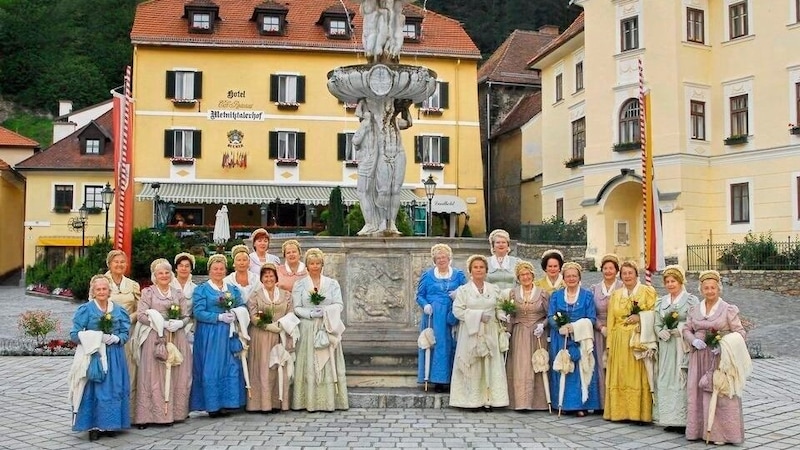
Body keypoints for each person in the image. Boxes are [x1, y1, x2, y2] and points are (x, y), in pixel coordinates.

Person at [684, 270, 749, 445]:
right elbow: (686, 329)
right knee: (696, 393)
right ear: (701, 290)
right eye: (706, 288)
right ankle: (698, 431)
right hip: (698, 358)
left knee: (721, 396)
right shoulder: (695, 309)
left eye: (713, 288)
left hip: (719, 360)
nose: (710, 291)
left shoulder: (727, 309)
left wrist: (724, 344)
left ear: (718, 289)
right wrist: (693, 340)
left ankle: (722, 434)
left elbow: (740, 332)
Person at [68, 275, 131, 441]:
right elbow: (74, 334)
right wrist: (96, 337)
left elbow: (125, 333)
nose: (102, 292)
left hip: (115, 357)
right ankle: (93, 426)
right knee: (95, 390)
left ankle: (112, 424)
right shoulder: (86, 310)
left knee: (115, 388)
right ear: (93, 292)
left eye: (104, 289)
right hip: (95, 356)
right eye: (98, 289)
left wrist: (116, 339)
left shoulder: (118, 310)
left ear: (109, 291)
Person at [133, 259, 192, 428]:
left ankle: (174, 413)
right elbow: (141, 315)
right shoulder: (148, 293)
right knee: (152, 374)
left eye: (167, 272)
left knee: (178, 373)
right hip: (155, 338)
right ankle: (148, 415)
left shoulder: (177, 293)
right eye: (160, 273)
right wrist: (159, 323)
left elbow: (186, 314)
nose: (164, 275)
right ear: (155, 276)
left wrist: (180, 323)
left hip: (177, 336)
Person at [291, 248, 349, 411]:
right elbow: (296, 307)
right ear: (307, 266)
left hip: (327, 325)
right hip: (308, 327)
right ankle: (306, 400)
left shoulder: (332, 283)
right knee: (309, 361)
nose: (315, 266)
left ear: (322, 265)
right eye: (311, 263)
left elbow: (339, 304)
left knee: (327, 362)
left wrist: (326, 311)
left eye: (318, 263)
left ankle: (329, 400)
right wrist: (310, 313)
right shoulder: (300, 284)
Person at [189, 254, 247, 417]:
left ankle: (228, 402)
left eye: (221, 269)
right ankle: (212, 405)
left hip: (228, 333)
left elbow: (242, 304)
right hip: (210, 334)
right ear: (209, 270)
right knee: (211, 368)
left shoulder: (232, 289)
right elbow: (198, 312)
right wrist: (218, 317)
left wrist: (236, 313)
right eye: (215, 268)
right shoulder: (202, 289)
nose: (219, 271)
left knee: (231, 366)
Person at [450, 255, 509, 409]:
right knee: (473, 364)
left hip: (490, 330)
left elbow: (498, 307)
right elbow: (457, 311)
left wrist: (501, 314)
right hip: (471, 332)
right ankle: (471, 400)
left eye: (481, 267)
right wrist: (477, 316)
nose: (478, 270)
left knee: (490, 363)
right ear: (470, 270)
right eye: (475, 267)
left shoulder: (493, 289)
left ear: (486, 270)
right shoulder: (463, 290)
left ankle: (490, 399)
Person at [604, 260, 657, 423]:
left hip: (637, 339)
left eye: (630, 273)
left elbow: (655, 313)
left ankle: (639, 413)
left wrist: (640, 317)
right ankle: (620, 412)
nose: (627, 276)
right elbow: (611, 320)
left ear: (636, 274)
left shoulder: (646, 292)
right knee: (620, 374)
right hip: (619, 338)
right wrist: (609, 344)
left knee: (637, 375)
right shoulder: (616, 294)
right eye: (624, 273)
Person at [547, 262, 600, 416]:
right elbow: (550, 315)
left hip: (580, 339)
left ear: (579, 277)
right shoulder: (556, 296)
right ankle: (562, 404)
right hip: (561, 338)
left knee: (580, 371)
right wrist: (559, 327)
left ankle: (580, 405)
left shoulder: (587, 296)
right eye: (568, 276)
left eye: (574, 276)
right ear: (563, 278)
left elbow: (592, 318)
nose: (571, 279)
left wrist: (575, 327)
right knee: (563, 367)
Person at [415, 243, 467, 392]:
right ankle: (437, 380)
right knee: (436, 344)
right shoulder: (428, 275)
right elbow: (420, 295)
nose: (441, 260)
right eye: (438, 258)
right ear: (434, 260)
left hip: (452, 313)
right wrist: (425, 305)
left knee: (453, 344)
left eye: (444, 257)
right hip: (433, 315)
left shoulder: (458, 275)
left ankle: (452, 378)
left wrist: (458, 295)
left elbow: (466, 291)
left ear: (449, 258)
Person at [247, 263, 296, 412]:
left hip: (280, 335)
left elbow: (291, 312)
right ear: (261, 278)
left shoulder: (286, 295)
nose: (269, 278)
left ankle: (278, 402)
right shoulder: (255, 295)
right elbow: (253, 314)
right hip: (261, 337)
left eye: (271, 275)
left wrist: (283, 324)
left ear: (276, 278)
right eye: (265, 276)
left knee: (278, 367)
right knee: (263, 368)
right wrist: (266, 325)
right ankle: (262, 404)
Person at [654, 264, 698, 430]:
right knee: (666, 378)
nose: (670, 284)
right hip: (667, 346)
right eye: (668, 281)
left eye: (674, 281)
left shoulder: (691, 300)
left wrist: (682, 329)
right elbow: (657, 323)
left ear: (680, 282)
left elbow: (695, 321)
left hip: (682, 345)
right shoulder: (661, 302)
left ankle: (683, 419)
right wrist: (660, 332)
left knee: (681, 378)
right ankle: (668, 418)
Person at [506, 261, 551, 411]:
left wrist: (542, 325)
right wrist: (507, 330)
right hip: (519, 332)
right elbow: (511, 315)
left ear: (532, 275)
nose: (525, 277)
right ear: (518, 278)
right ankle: (520, 402)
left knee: (536, 364)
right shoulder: (513, 293)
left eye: (527, 274)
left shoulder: (542, 293)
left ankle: (537, 402)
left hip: (537, 334)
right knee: (520, 366)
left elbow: (549, 314)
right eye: (522, 275)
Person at [104, 250, 141, 420]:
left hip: (129, 333)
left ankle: (129, 413)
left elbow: (140, 309)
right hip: (108, 333)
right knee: (110, 373)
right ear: (109, 264)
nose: (119, 265)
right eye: (115, 262)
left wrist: (127, 321)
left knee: (130, 370)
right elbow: (94, 306)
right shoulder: (101, 282)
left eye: (122, 262)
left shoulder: (133, 285)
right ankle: (108, 413)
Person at [589, 253, 623, 411]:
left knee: (617, 366)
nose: (608, 271)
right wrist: (601, 327)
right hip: (600, 331)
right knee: (599, 365)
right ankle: (601, 402)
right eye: (605, 268)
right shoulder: (594, 288)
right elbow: (590, 312)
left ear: (616, 271)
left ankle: (616, 402)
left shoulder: (622, 287)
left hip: (618, 332)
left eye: (611, 268)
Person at [171, 252, 197, 342]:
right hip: (169, 326)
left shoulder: (195, 288)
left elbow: (196, 313)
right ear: (176, 269)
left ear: (191, 269)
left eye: (187, 266)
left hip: (188, 328)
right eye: (181, 266)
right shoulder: (168, 285)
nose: (184, 268)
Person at [485, 229, 521, 293]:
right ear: (493, 245)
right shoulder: (485, 262)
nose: (501, 245)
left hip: (512, 299)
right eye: (498, 242)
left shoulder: (517, 262)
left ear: (508, 245)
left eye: (503, 242)